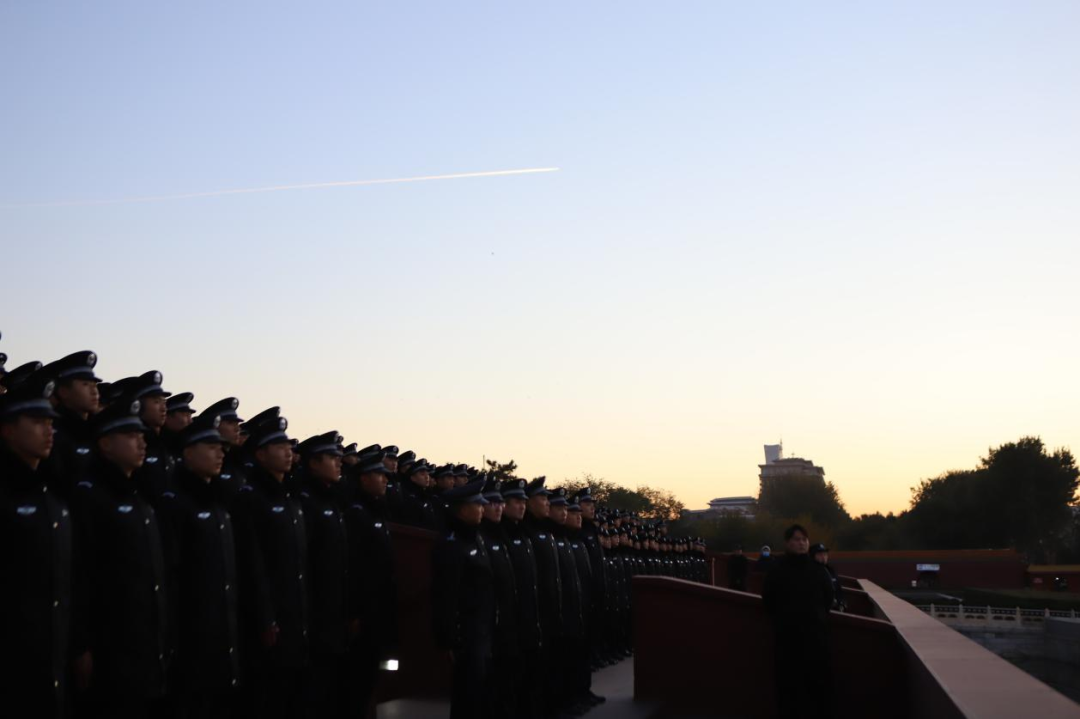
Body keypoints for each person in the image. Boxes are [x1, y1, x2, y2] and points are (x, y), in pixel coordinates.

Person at [71, 398, 170, 719]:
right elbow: (79, 574)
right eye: (130, 435)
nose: (142, 443)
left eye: (142, 435)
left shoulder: (138, 496)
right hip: (109, 646)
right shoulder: (90, 497)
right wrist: (81, 645)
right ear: (105, 444)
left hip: (144, 644)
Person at [0, 372, 82, 718]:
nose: (49, 431)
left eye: (50, 423)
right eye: (37, 422)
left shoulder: (52, 498)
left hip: (51, 661)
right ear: (7, 429)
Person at [158, 413, 240, 718]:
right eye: (211, 447)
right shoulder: (175, 502)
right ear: (188, 452)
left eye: (222, 448)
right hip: (189, 634)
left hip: (221, 631)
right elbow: (171, 574)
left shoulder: (217, 502)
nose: (220, 454)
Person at [231, 415, 309, 719]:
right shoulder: (251, 497)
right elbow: (253, 562)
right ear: (261, 454)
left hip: (294, 616)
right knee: (264, 697)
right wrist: (265, 617)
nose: (288, 452)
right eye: (279, 446)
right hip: (268, 619)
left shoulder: (290, 498)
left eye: (289, 446)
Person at [297, 431, 350, 718]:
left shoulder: (332, 500)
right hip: (315, 613)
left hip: (334, 613)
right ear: (313, 463)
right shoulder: (306, 501)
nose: (339, 462)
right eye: (332, 457)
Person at [431, 479, 495, 719]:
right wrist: (449, 639)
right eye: (477, 505)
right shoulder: (451, 544)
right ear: (462, 509)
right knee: (467, 695)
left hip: (481, 629)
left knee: (480, 693)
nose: (482, 508)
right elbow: (446, 594)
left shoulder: (475, 538)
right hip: (465, 634)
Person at [342, 451, 399, 718]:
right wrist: (355, 612)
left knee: (370, 682)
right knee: (356, 684)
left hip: (378, 612)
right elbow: (354, 566)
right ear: (364, 478)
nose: (385, 480)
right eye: (379, 474)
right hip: (364, 615)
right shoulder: (357, 513)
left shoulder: (375, 511)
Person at [761, 524, 835, 719]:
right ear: (787, 543)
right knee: (789, 689)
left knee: (818, 687)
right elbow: (768, 600)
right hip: (787, 640)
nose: (801, 543)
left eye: (804, 539)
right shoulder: (777, 569)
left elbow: (828, 599)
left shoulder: (818, 570)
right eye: (796, 539)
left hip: (816, 639)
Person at [478, 478, 519, 719]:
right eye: (492, 503)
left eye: (500, 503)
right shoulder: (480, 537)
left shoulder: (501, 535)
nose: (498, 507)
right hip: (486, 626)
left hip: (506, 621)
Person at [40, 350, 101, 497]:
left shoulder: (99, 431)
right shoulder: (51, 433)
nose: (94, 391)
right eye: (85, 384)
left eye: (95, 384)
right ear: (63, 392)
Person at [810, 543, 845, 612]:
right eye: (820, 554)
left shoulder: (830, 570)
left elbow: (839, 590)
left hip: (837, 609)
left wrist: (842, 603)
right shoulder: (810, 571)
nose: (823, 557)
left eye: (825, 554)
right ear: (812, 556)